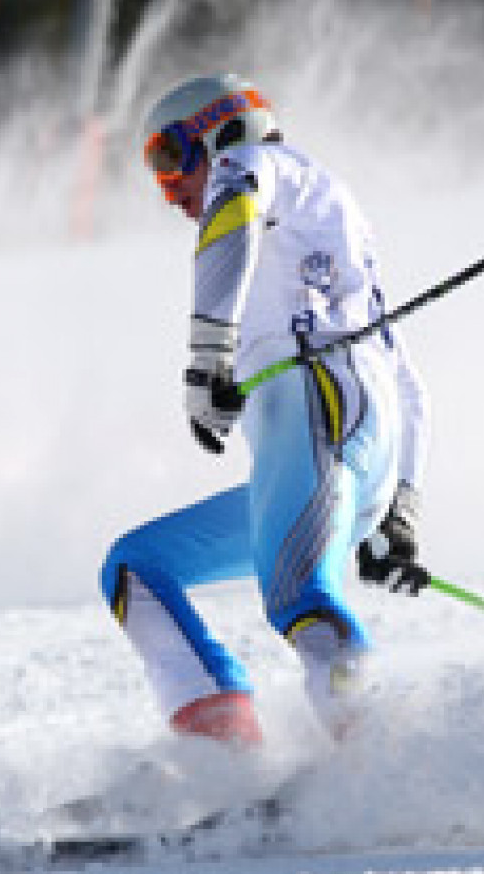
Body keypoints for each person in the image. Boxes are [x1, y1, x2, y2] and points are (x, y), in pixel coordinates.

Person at [100, 74, 434, 750]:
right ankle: (221, 742)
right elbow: (408, 384)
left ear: (221, 132)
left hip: (315, 410)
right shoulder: (325, 216)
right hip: (348, 443)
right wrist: (399, 509)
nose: (170, 191)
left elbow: (233, 214)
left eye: (170, 158)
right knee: (137, 568)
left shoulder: (253, 165)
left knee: (298, 594)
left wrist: (208, 359)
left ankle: (377, 754)